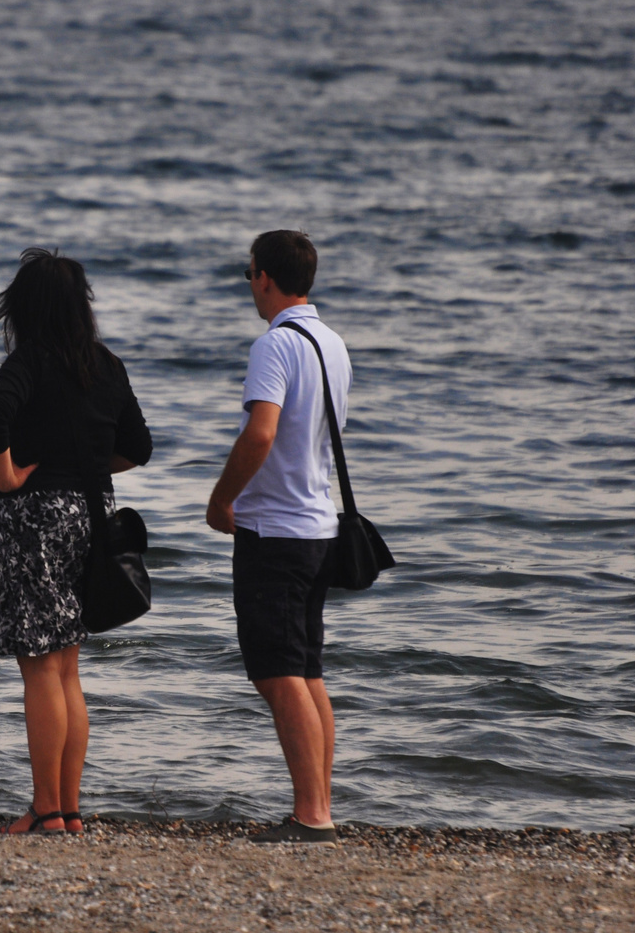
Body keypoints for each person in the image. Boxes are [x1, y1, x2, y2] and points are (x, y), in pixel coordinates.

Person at [0, 248, 153, 835]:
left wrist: (7, 475)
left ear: (25, 308)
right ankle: (69, 811)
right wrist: (89, 468)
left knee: (40, 672)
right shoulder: (107, 364)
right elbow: (140, 447)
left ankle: (46, 809)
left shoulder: (30, 362)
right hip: (94, 518)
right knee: (68, 670)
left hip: (36, 520)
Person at [205, 230, 350, 845]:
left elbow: (261, 434)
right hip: (319, 524)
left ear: (264, 276)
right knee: (306, 669)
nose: (250, 288)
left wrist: (221, 498)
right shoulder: (332, 343)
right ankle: (318, 806)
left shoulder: (275, 345)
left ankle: (312, 816)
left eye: (249, 276)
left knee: (276, 671)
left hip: (276, 528)